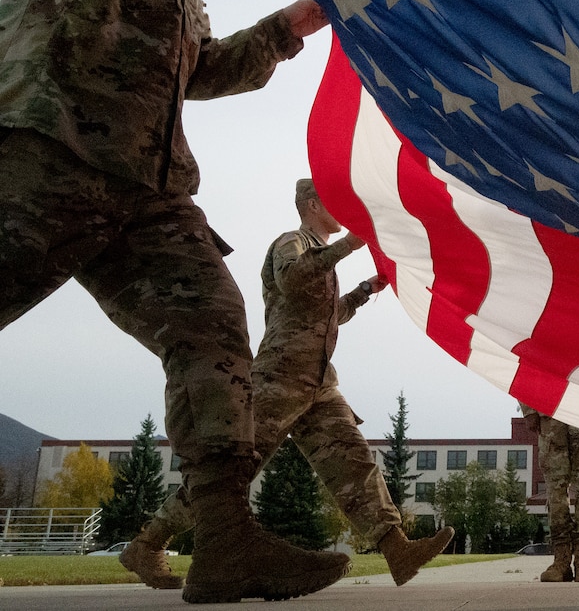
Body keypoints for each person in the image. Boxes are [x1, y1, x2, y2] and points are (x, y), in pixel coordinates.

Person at [0, 0, 349, 604]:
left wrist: (291, 26)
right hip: (46, 146)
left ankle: (225, 541)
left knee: (213, 328)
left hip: (145, 189)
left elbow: (195, 73)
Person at [124, 179, 454, 588]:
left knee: (353, 464)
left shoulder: (321, 257)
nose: (343, 212)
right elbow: (293, 281)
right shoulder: (291, 243)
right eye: (334, 203)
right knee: (233, 471)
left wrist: (366, 289)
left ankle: (397, 549)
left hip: (317, 383)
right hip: (278, 378)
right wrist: (348, 246)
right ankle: (148, 543)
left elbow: (330, 315)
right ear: (313, 204)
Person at [521, 404, 579, 582]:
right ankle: (561, 559)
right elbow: (527, 375)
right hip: (551, 415)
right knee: (555, 492)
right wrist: (528, 410)